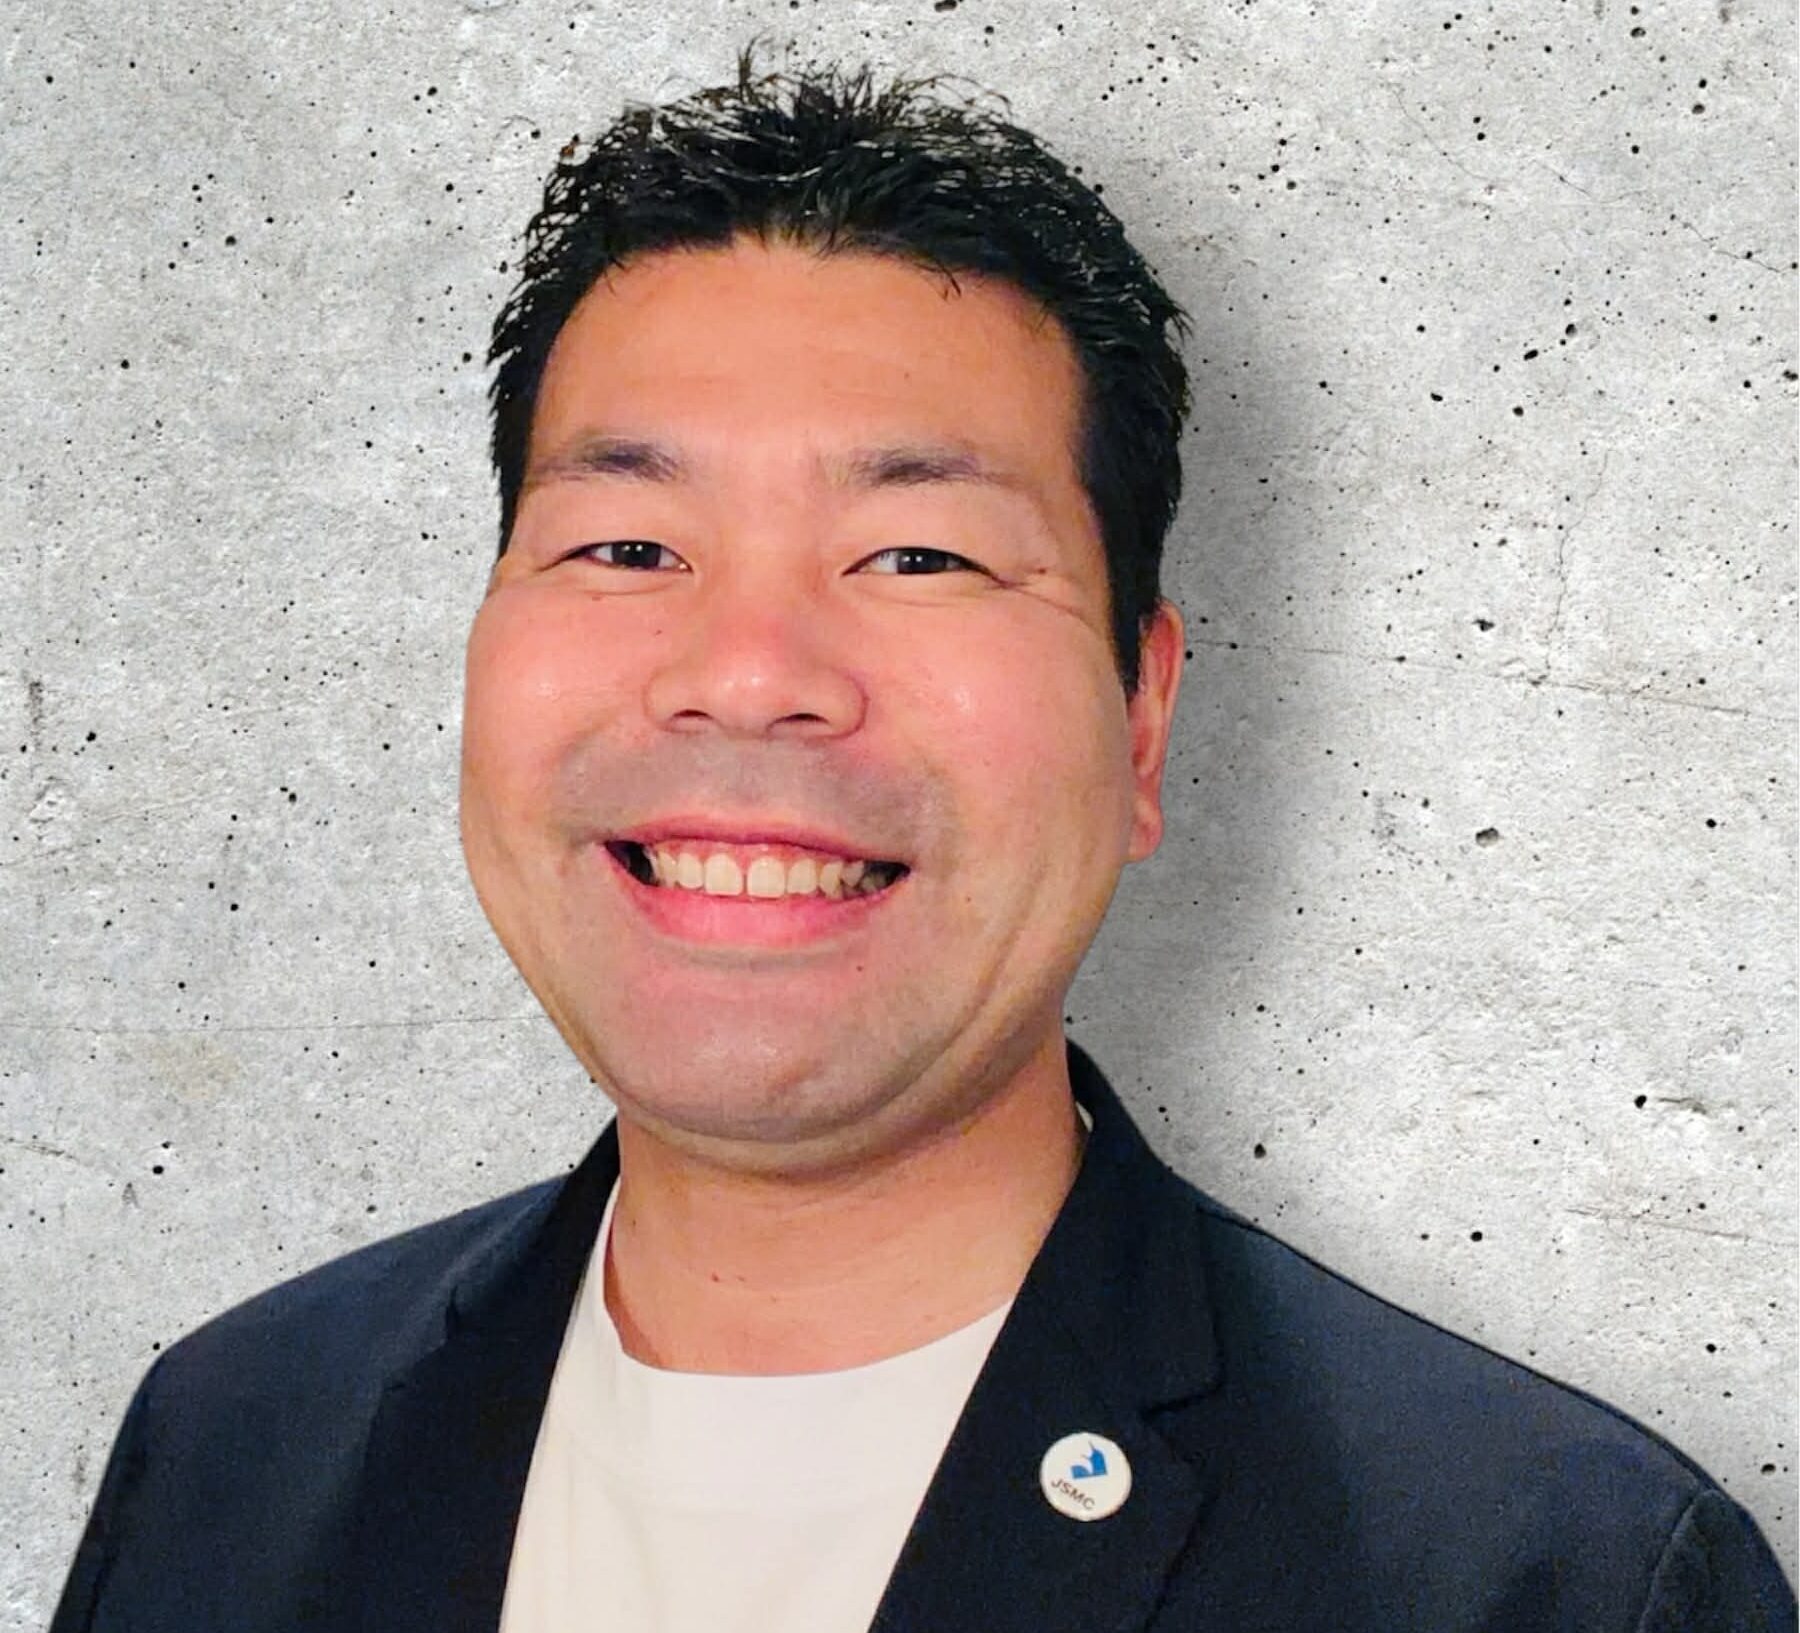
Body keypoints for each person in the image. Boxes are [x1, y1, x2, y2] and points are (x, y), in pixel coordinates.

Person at [48, 42, 1794, 1633]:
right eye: (628, 547)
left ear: (1141, 720)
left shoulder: (1546, 1576)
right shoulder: (233, 1453)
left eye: (919, 556)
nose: (748, 676)